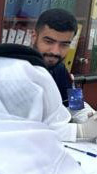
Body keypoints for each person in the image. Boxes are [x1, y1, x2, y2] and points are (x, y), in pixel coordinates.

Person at [31, 9, 97, 142]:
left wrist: (92, 118)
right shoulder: (16, 71)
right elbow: (25, 128)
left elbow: (76, 105)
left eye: (64, 44)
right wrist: (79, 131)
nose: (55, 51)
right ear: (34, 36)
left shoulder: (59, 68)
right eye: (49, 41)